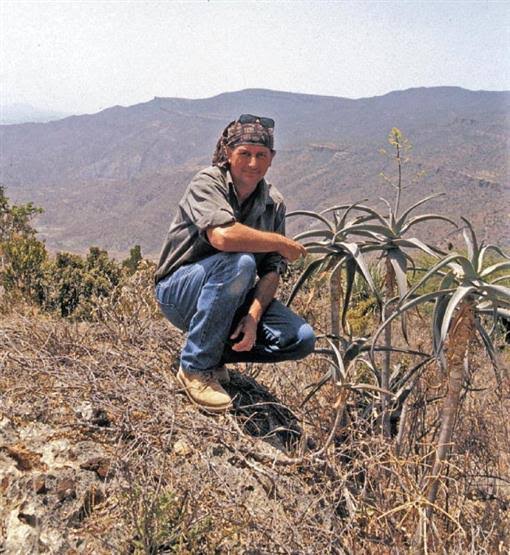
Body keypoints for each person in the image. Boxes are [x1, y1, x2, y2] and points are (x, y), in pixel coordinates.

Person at [154, 114, 316, 412]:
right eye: (244, 153)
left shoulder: (274, 203)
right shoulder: (207, 182)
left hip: (231, 294)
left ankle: (214, 352)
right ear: (228, 153)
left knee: (300, 339)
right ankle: (195, 369)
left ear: (272, 158)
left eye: (261, 155)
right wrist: (280, 242)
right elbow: (223, 237)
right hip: (179, 291)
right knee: (240, 262)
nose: (253, 163)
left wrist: (253, 317)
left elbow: (271, 270)